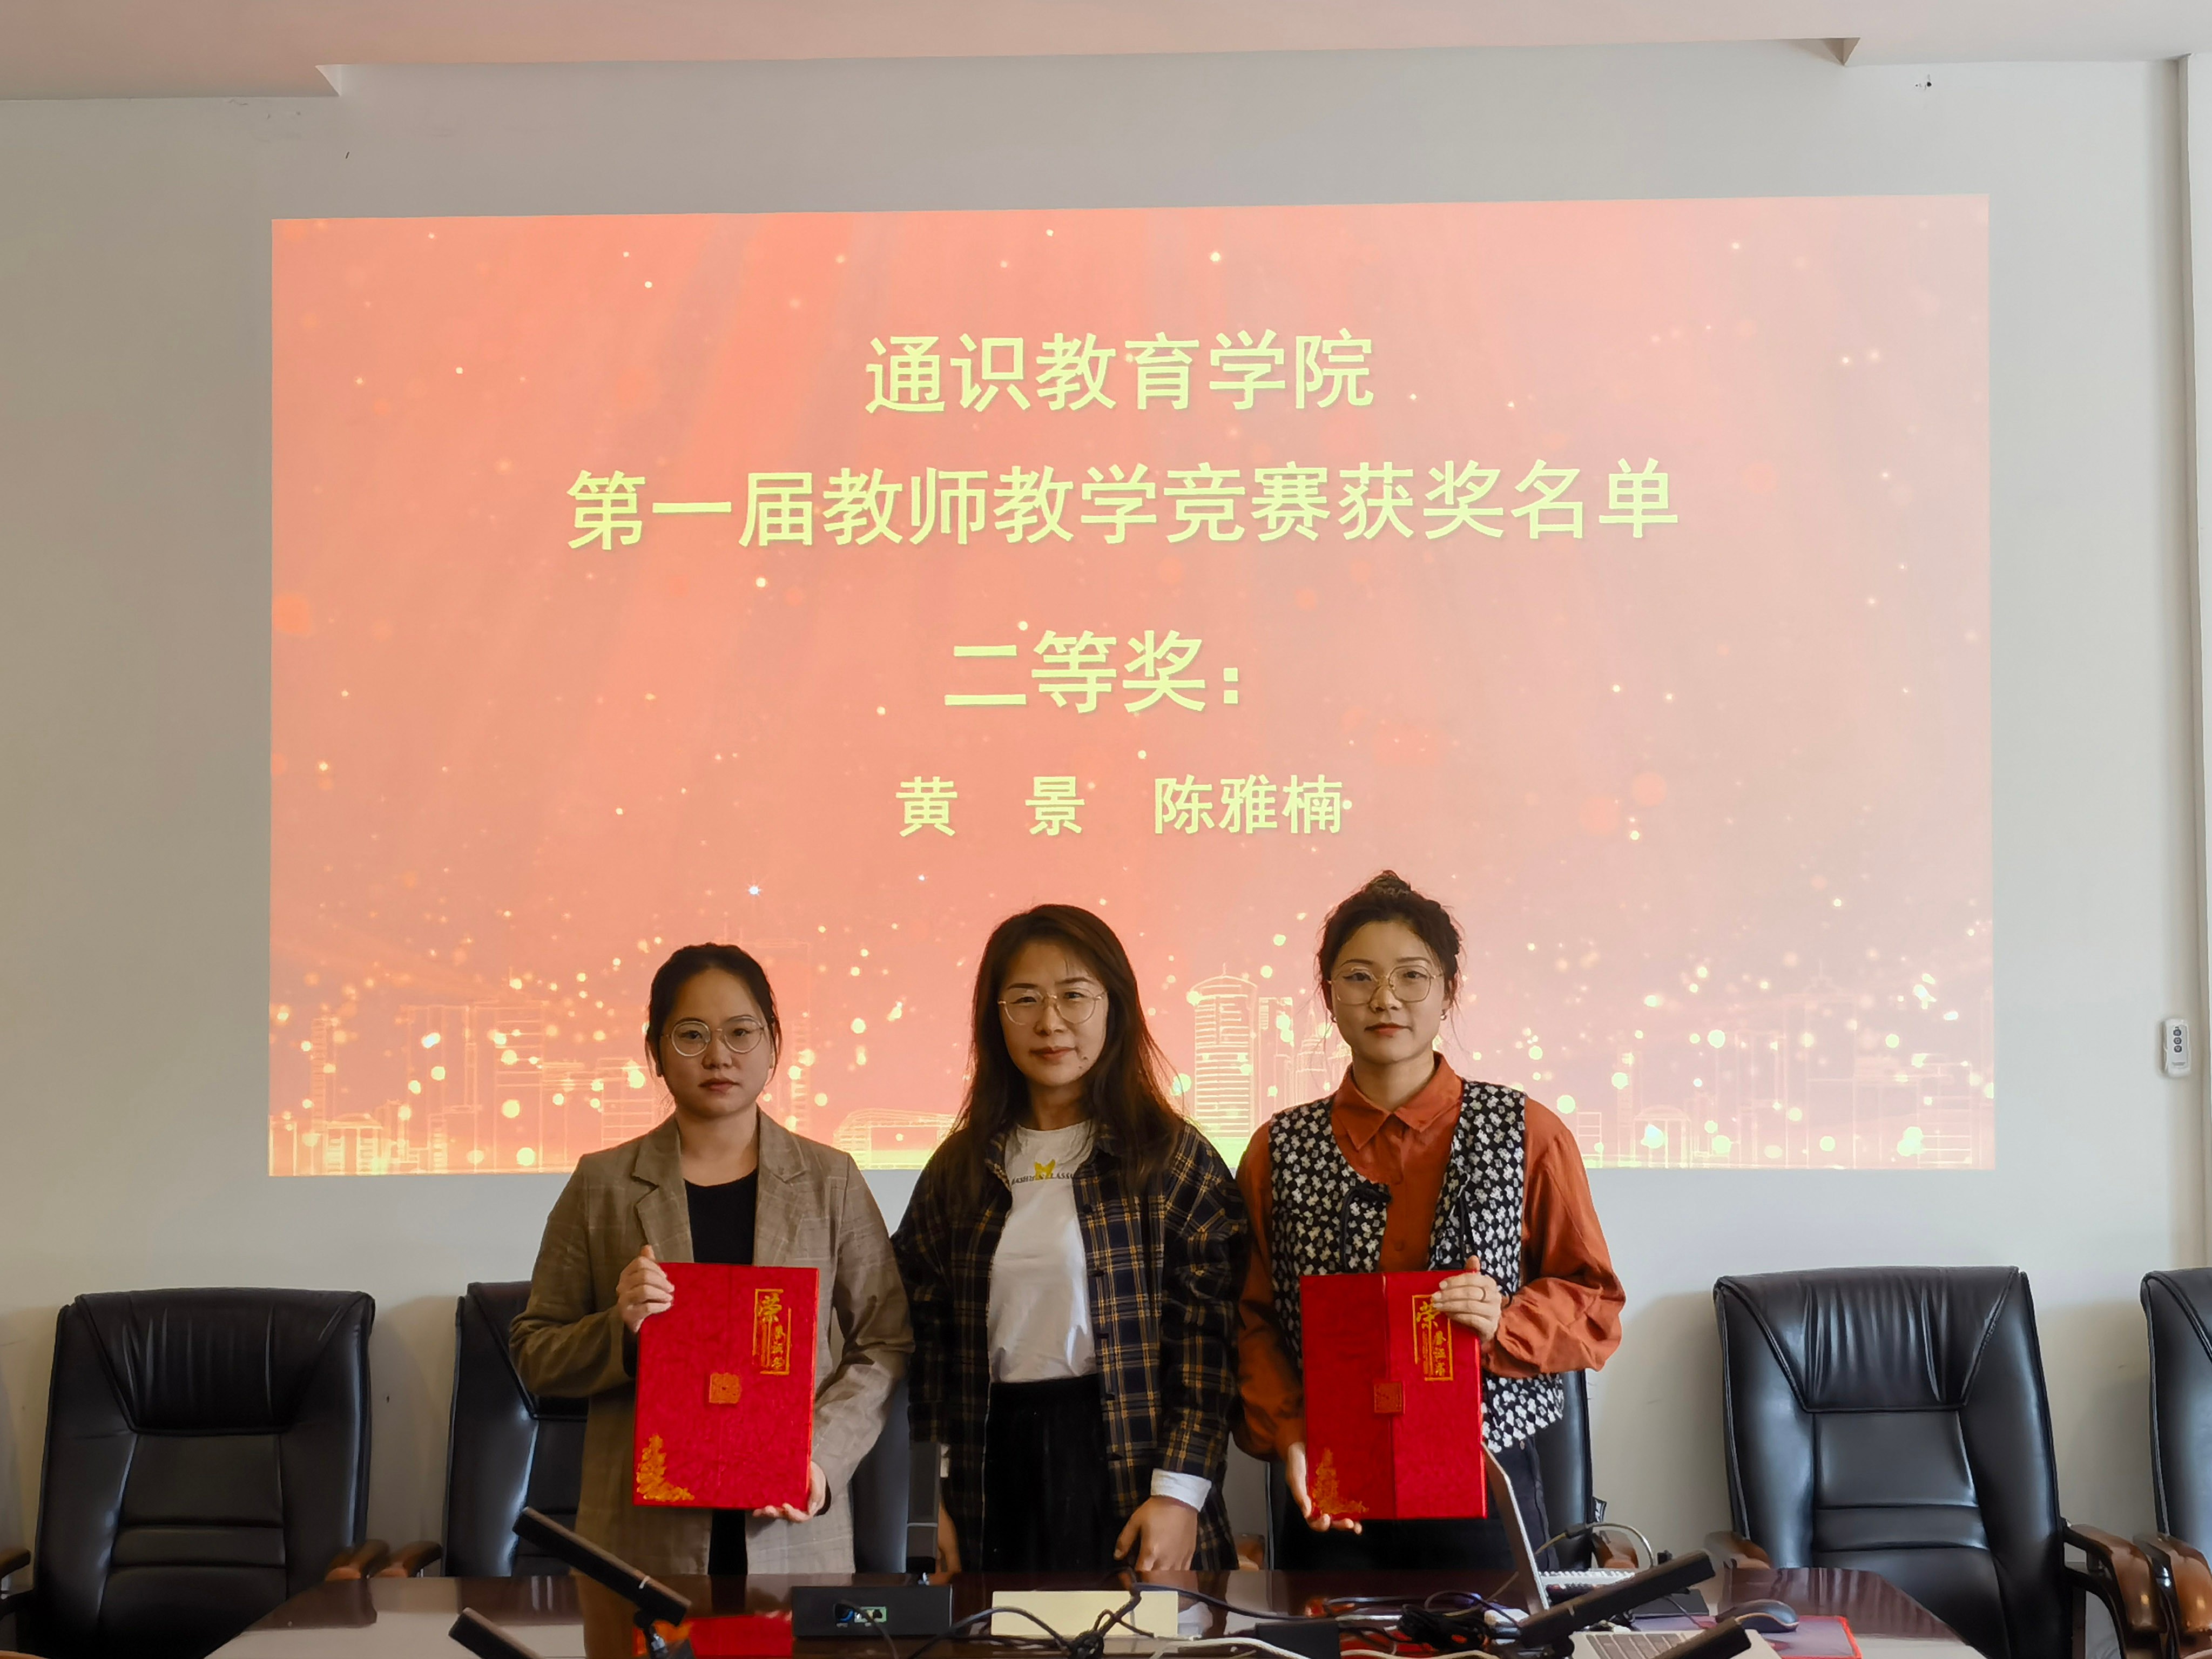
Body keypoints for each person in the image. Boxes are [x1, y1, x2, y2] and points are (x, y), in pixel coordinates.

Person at [1237, 872, 1624, 1568]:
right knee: (1330, 1629)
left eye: (1411, 977)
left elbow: (1594, 1299)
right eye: (1359, 977)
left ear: (1448, 992)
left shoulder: (1525, 1132)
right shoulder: (1277, 1149)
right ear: (1328, 995)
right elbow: (1249, 1318)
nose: (1384, 999)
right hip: (1333, 1482)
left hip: (1484, 1477)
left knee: (1492, 1630)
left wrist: (1505, 1319)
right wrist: (1290, 1432)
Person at [511, 942, 912, 1575]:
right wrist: (621, 1330)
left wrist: (820, 1456)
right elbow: (535, 1351)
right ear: (655, 1050)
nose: (718, 1056)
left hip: (790, 1528)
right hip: (642, 1541)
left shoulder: (829, 1181)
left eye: (740, 1033)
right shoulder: (602, 1184)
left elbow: (885, 1343)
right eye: (692, 1035)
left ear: (773, 1043)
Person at [893, 905, 1250, 1573]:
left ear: (1115, 1006)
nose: (1050, 1022)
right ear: (995, 1017)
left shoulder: (1171, 1158)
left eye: (1074, 996)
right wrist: (923, 1499)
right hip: (989, 1469)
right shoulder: (959, 1167)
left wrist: (1179, 1492)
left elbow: (1208, 1344)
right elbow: (926, 1353)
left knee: (1140, 1631)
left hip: (1132, 1467)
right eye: (1025, 999)